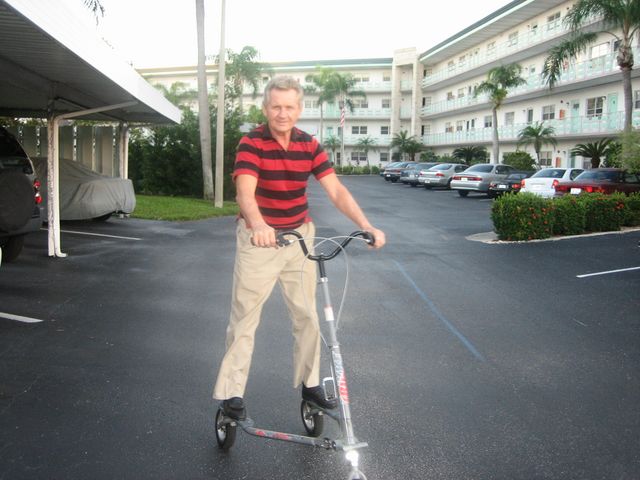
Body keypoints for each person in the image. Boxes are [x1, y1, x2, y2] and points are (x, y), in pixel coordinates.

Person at [213, 75, 386, 421]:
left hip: (299, 237)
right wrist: (259, 225)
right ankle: (231, 392)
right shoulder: (252, 143)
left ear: (299, 109)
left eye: (289, 107)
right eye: (276, 106)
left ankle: (310, 385)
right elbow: (245, 193)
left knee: (307, 315)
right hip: (260, 240)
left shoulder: (309, 145)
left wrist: (365, 225)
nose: (283, 113)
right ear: (266, 108)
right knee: (245, 318)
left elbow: (335, 190)